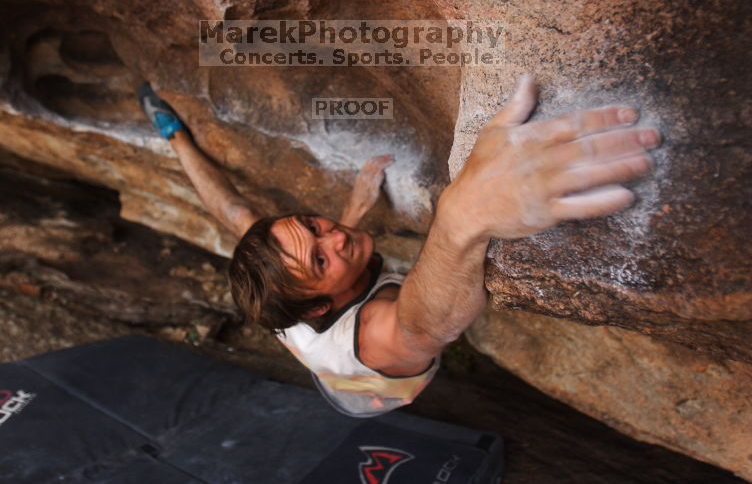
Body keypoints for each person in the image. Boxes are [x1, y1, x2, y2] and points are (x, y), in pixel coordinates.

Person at [138, 76, 660, 416]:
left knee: (244, 222)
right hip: (364, 393)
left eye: (314, 226)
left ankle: (168, 132)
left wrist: (174, 133)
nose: (334, 235)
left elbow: (232, 210)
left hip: (317, 332)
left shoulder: (284, 285)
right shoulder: (371, 343)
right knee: (344, 377)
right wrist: (463, 215)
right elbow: (421, 327)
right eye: (321, 256)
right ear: (321, 305)